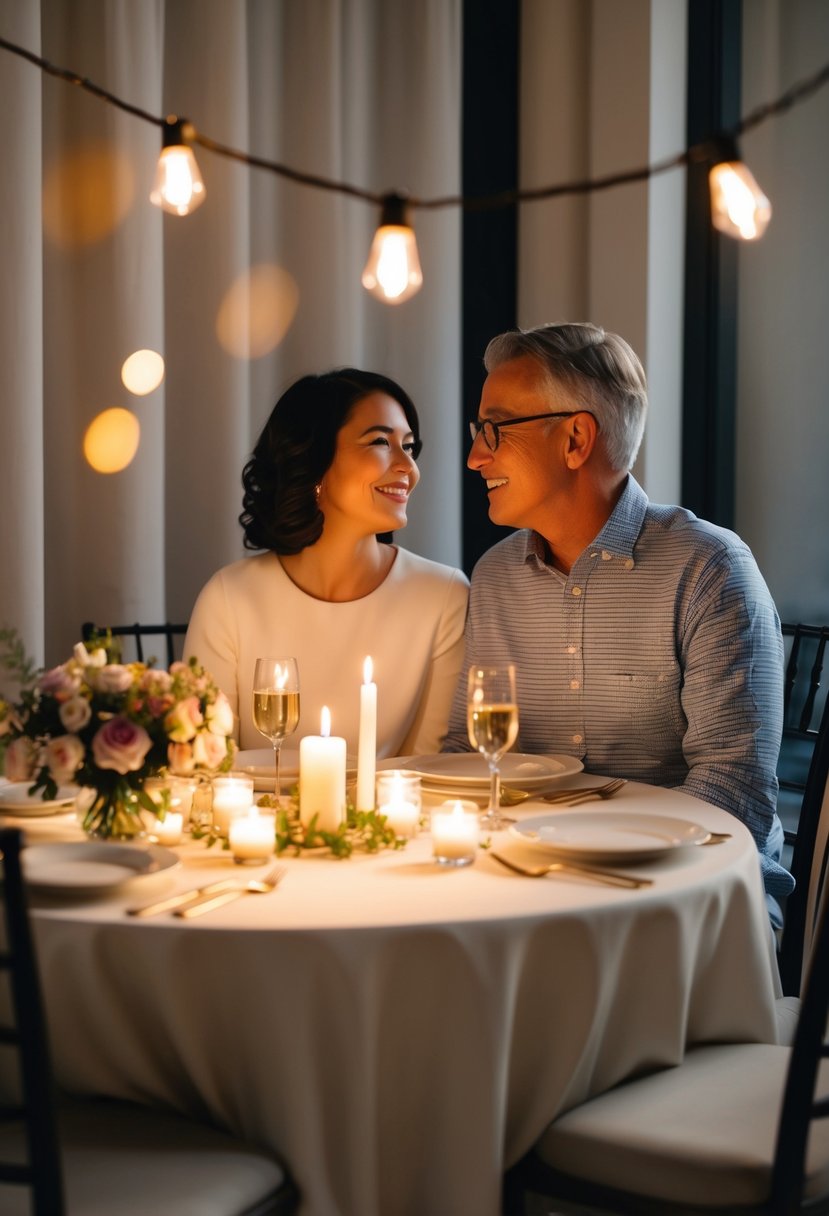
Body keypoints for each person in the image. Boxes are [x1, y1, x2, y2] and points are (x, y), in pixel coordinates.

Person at [444, 321, 792, 926]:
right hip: (535, 888)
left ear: (576, 439)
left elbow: (734, 788)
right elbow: (467, 755)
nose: (476, 456)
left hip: (693, 901)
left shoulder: (710, 569)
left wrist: (578, 863)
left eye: (492, 430)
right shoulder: (496, 575)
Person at [185, 369, 469, 757]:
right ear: (314, 463)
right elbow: (206, 764)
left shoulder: (443, 595)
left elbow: (428, 767)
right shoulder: (229, 599)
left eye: (410, 446)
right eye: (381, 442)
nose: (409, 467)